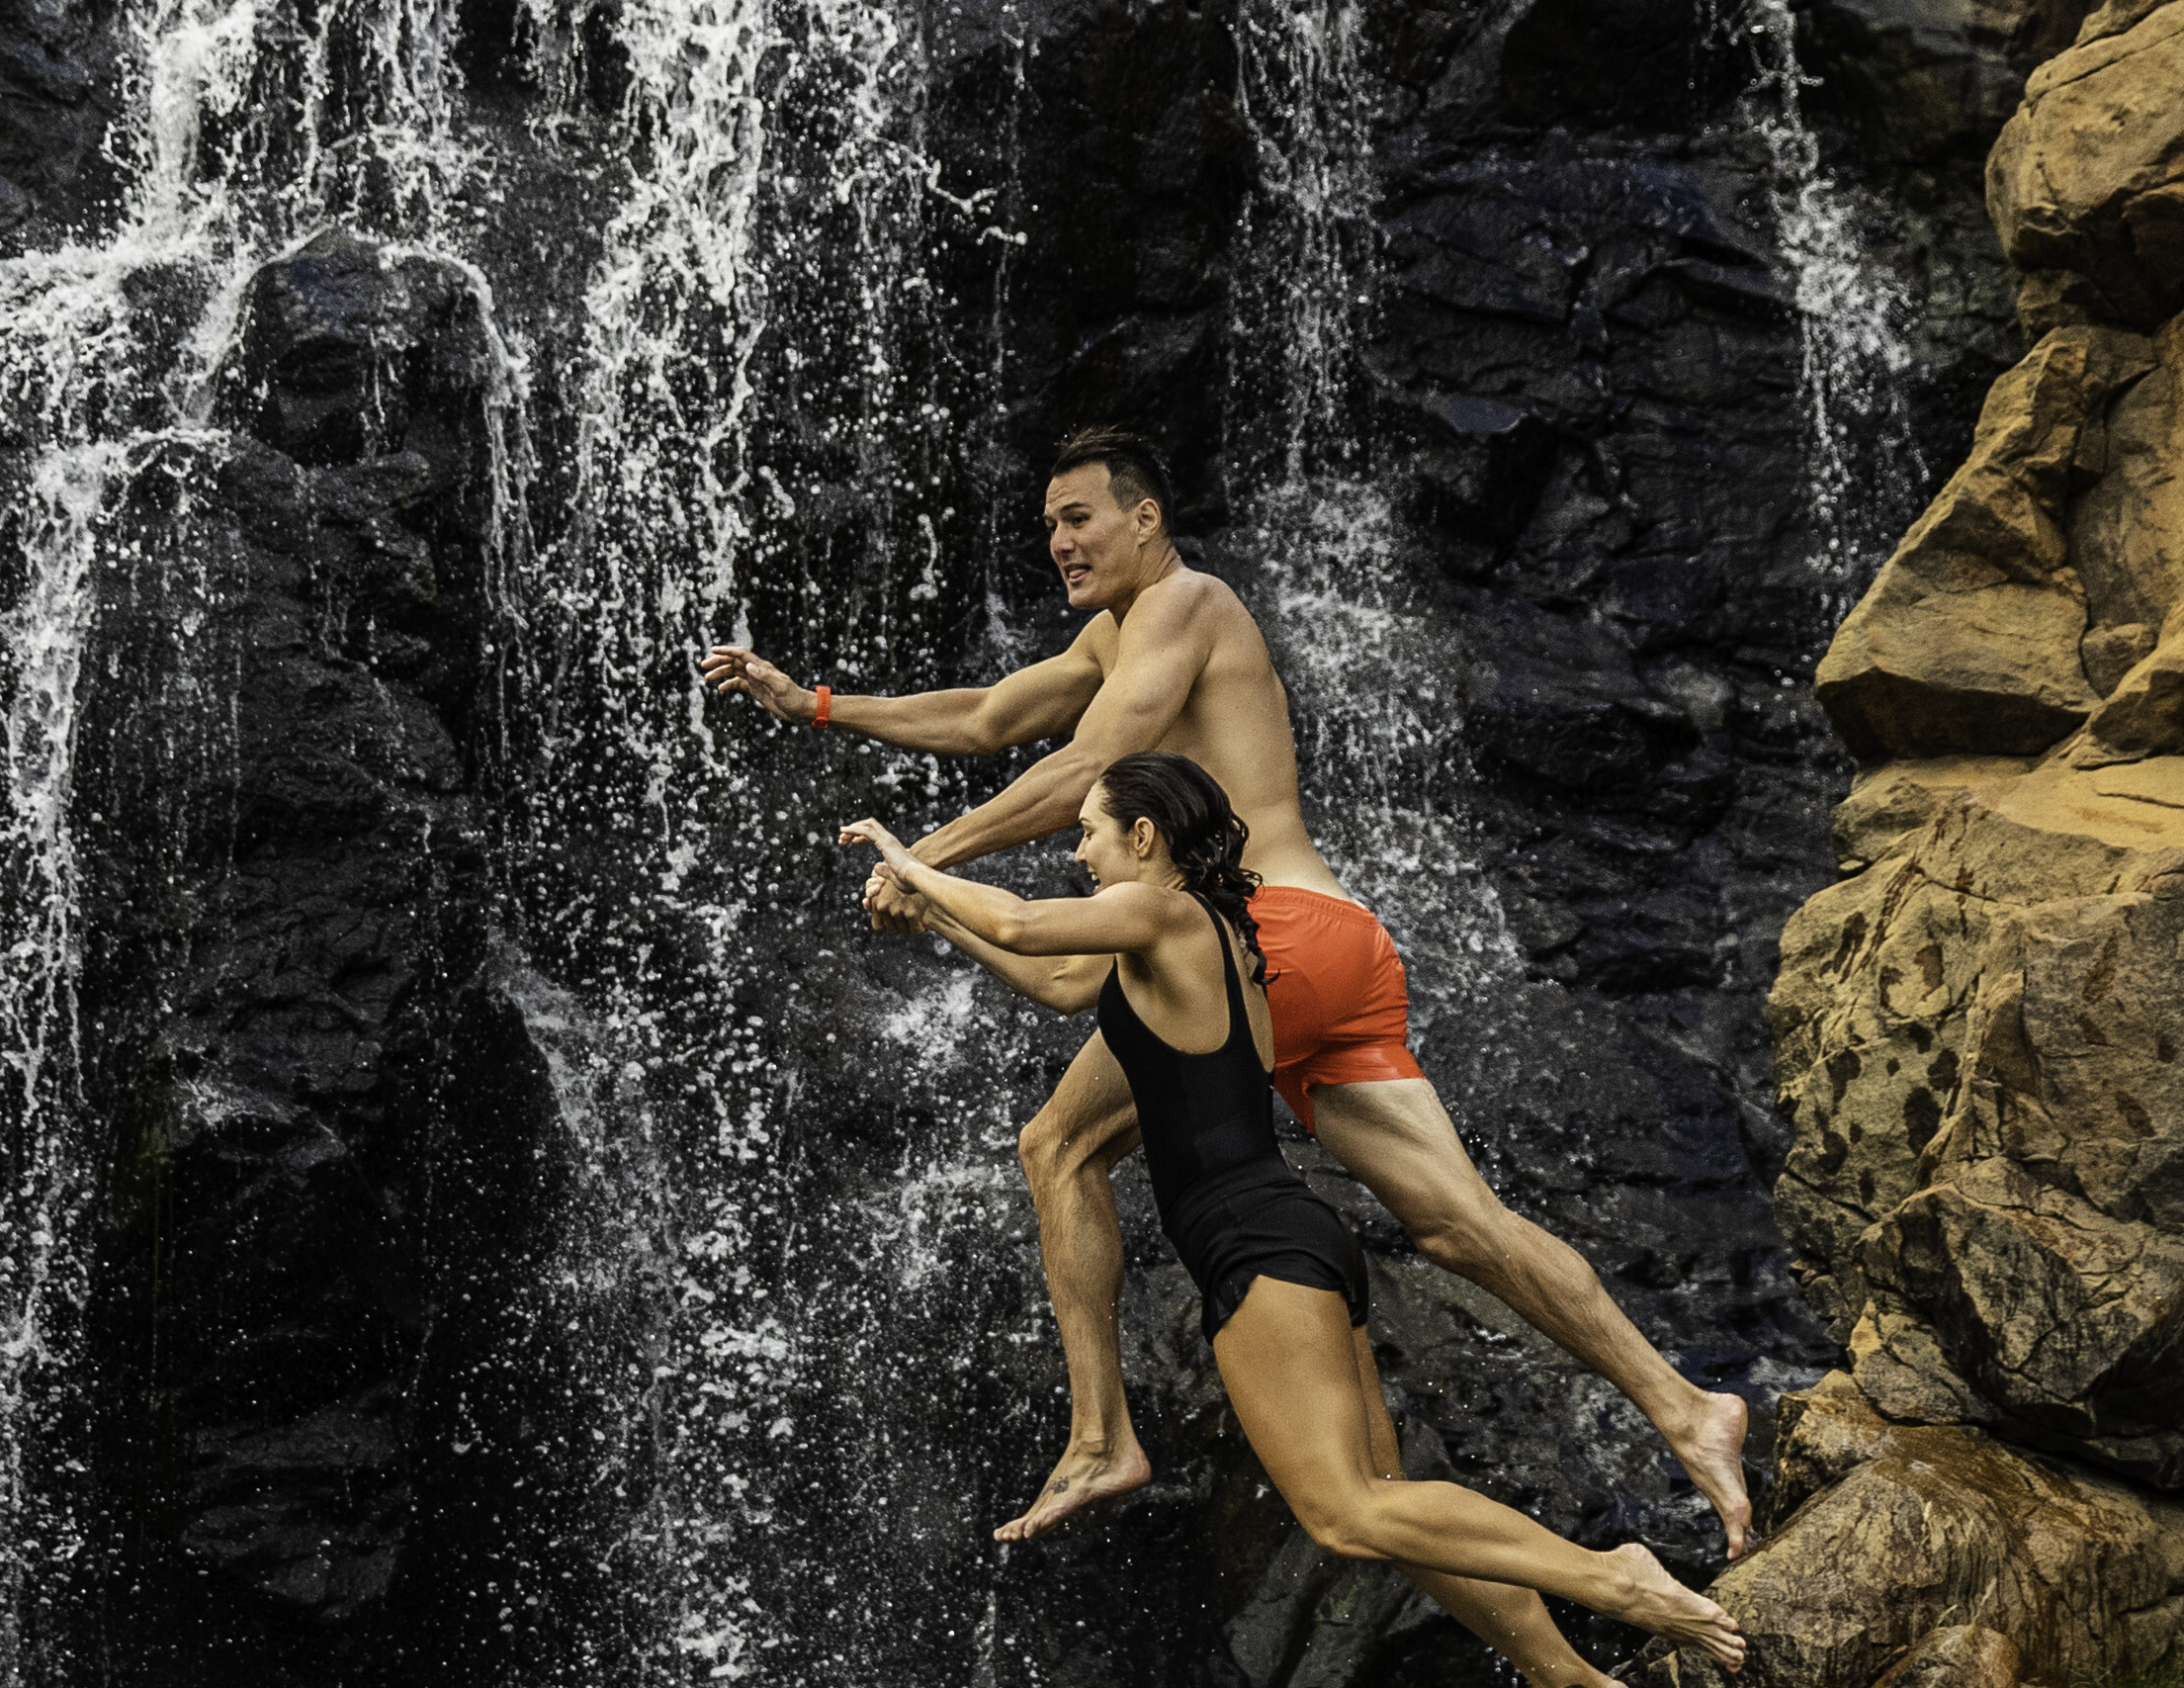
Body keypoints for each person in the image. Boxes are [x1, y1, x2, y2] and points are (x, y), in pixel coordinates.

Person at [702, 427, 1758, 1554]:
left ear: (1144, 517)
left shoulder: (1187, 603)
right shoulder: (1120, 630)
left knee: (1058, 1146)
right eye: (1049, 523)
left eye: (1079, 518)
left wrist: (920, 862)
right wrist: (813, 704)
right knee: (1461, 1227)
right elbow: (991, 717)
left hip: (1267, 938)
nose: (1058, 540)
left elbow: (1075, 770)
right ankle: (1691, 1408)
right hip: (1338, 943)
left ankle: (1103, 1433)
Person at [837, 755, 1742, 1688]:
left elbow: (1033, 927)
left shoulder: (1167, 919)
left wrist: (914, 859)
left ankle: (1615, 1578)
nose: (1074, 850)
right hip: (1283, 1236)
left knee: (1347, 1513)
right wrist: (940, 922)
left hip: (1256, 1246)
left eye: (1087, 830)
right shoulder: (1195, 938)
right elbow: (1049, 974)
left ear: (1145, 839)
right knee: (1385, 1499)